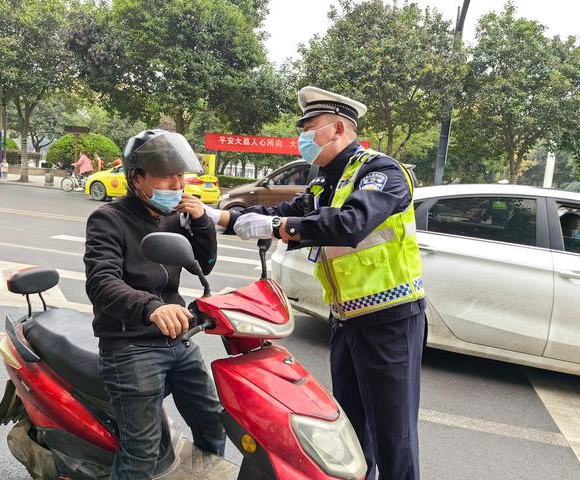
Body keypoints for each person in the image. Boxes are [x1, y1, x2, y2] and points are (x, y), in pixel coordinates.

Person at [204, 86, 426, 480]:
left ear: (338, 128)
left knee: (394, 435)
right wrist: (214, 215)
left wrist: (279, 226)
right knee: (352, 430)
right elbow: (284, 212)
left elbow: (350, 224)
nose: (302, 138)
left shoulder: (383, 173)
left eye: (309, 128)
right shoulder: (327, 182)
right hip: (345, 319)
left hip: (391, 319)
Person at [84, 129, 225, 479]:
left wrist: (202, 222)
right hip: (130, 345)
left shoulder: (175, 217)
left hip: (179, 338)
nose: (176, 185)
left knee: (212, 424)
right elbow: (101, 283)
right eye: (166, 177)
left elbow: (203, 265)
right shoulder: (108, 220)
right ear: (137, 177)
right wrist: (151, 307)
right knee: (142, 452)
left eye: (181, 177)